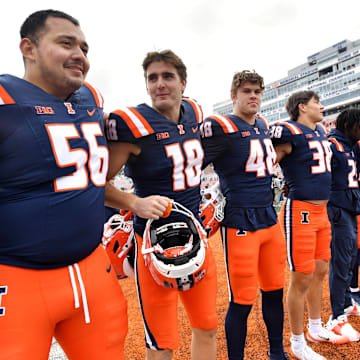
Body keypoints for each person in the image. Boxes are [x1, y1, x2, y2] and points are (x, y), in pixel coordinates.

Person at [0, 9, 129, 360]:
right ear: (29, 48)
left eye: (84, 48)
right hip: (18, 279)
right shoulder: (5, 100)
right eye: (66, 43)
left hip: (92, 269)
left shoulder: (90, 99)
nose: (80, 56)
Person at [104, 50, 218, 360]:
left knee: (207, 326)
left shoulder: (195, 111)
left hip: (197, 238)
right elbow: (95, 183)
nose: (159, 84)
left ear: (183, 82)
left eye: (167, 76)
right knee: (161, 341)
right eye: (152, 78)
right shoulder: (133, 125)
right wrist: (134, 202)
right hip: (152, 246)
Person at [201, 70, 288, 360]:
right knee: (242, 299)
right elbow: (192, 167)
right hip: (240, 222)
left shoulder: (263, 124)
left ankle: (277, 352)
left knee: (275, 290)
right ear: (234, 95)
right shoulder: (222, 126)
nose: (253, 96)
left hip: (269, 219)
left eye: (257, 92)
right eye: (247, 91)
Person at [270, 90, 348, 360]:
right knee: (301, 275)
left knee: (320, 270)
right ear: (302, 107)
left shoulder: (320, 133)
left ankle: (315, 328)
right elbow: (267, 164)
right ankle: (297, 342)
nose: (322, 106)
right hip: (300, 210)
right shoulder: (288, 132)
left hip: (322, 210)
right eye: (317, 102)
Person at [325, 109, 360, 340]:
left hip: (351, 207)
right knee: (341, 260)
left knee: (350, 259)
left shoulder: (350, 145)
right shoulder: (330, 145)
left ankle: (346, 303)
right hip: (338, 208)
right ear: (347, 124)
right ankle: (336, 317)